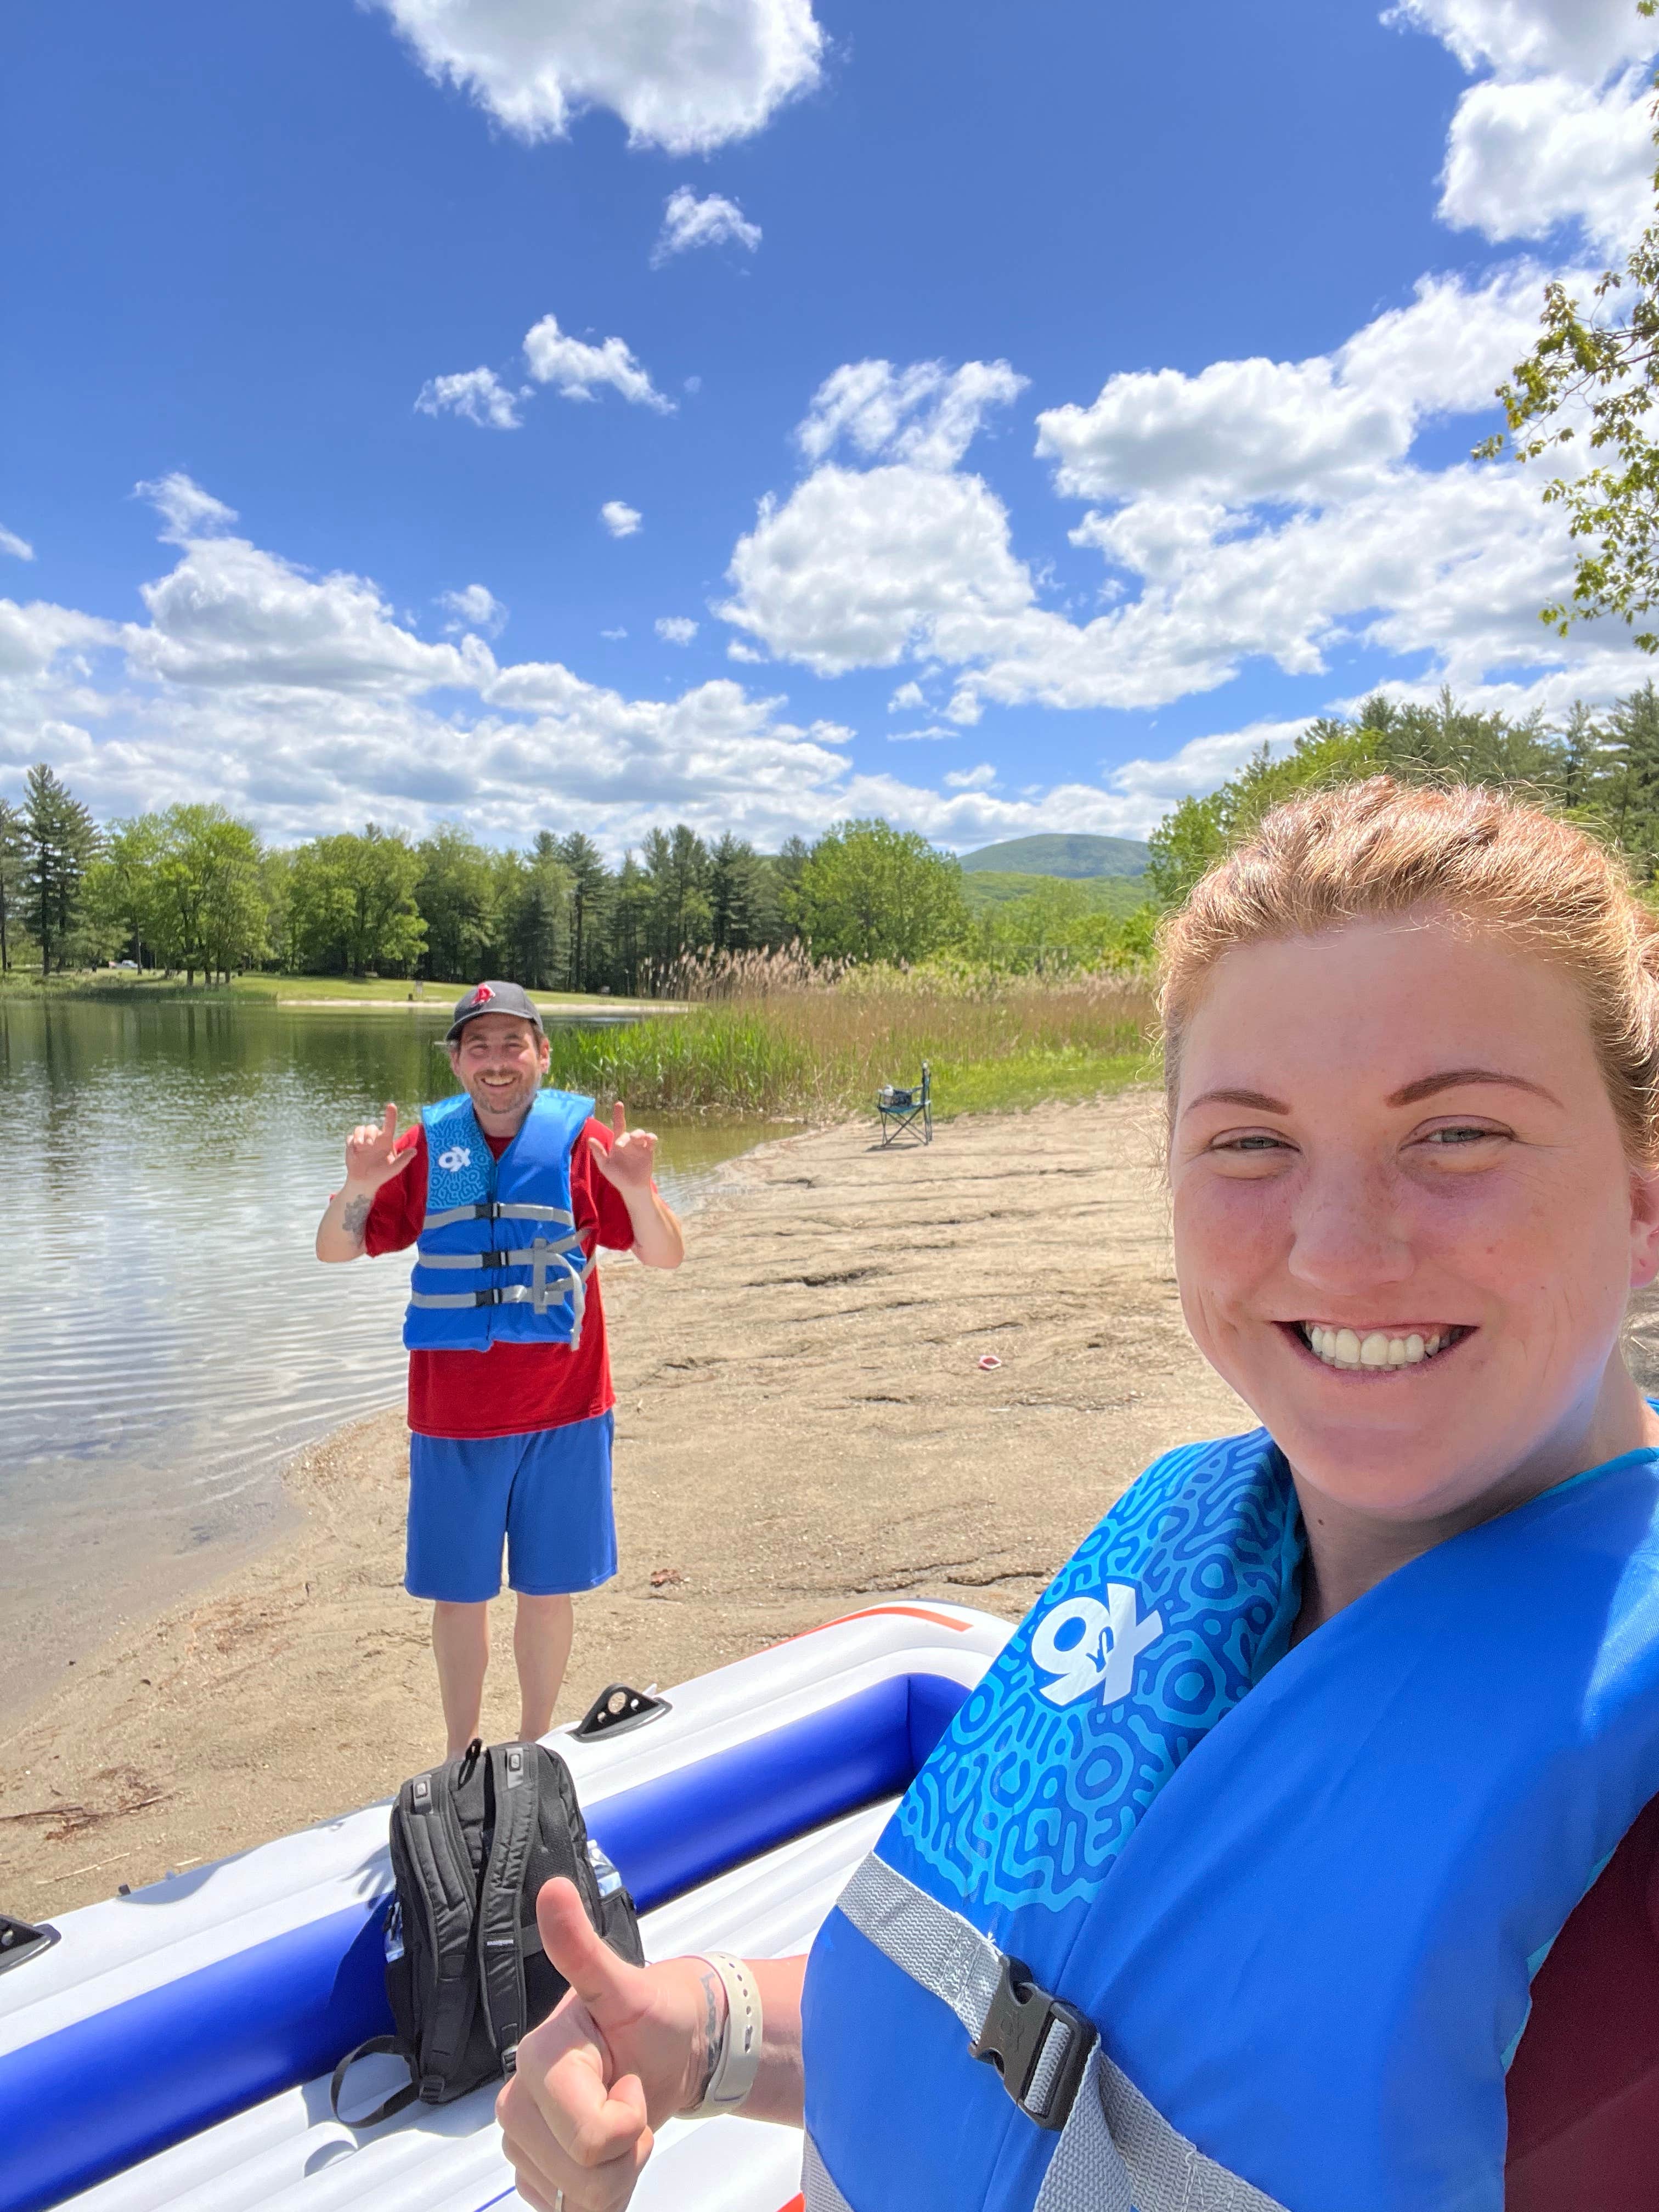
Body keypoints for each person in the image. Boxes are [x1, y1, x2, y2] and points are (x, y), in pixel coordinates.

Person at [495, 782, 1659, 2212]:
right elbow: (1039, 2044)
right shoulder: (1201, 1539)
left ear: (1643, 1199)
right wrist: (713, 2029)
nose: (1346, 1254)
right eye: (1251, 1142)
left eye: (1459, 1133)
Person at [316, 980, 684, 1756]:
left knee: (547, 1593)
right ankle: (462, 1750)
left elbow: (664, 1255)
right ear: (456, 1062)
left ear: (542, 1055)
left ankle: (533, 1744)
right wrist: (358, 1185)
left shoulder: (586, 1147)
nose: (496, 1061)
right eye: (477, 1045)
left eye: (513, 1043)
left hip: (569, 1412)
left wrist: (637, 1188)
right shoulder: (423, 1150)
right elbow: (336, 1248)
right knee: (460, 1596)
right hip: (456, 1419)